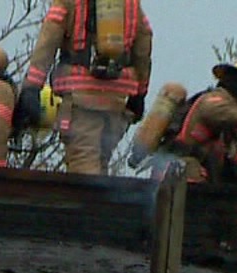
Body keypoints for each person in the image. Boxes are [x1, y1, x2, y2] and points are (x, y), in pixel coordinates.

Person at [18, 0, 154, 174]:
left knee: (84, 165)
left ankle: (90, 201)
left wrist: (32, 86)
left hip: (80, 101)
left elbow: (48, 40)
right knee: (102, 163)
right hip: (116, 102)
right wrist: (139, 94)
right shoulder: (130, 4)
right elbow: (144, 44)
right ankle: (104, 200)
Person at [161, 56, 237, 183]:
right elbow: (218, 112)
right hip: (187, 173)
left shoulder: (225, 106)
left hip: (195, 172)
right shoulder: (217, 99)